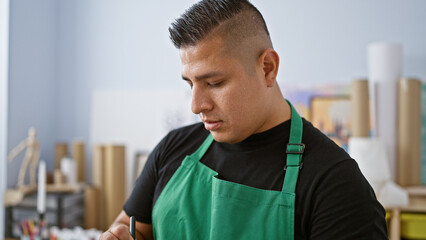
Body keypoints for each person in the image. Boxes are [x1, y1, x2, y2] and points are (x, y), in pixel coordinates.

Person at [100, 0, 388, 239]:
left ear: (267, 68)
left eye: (214, 83)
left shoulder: (335, 183)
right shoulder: (173, 149)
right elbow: (133, 228)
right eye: (190, 84)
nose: (196, 105)